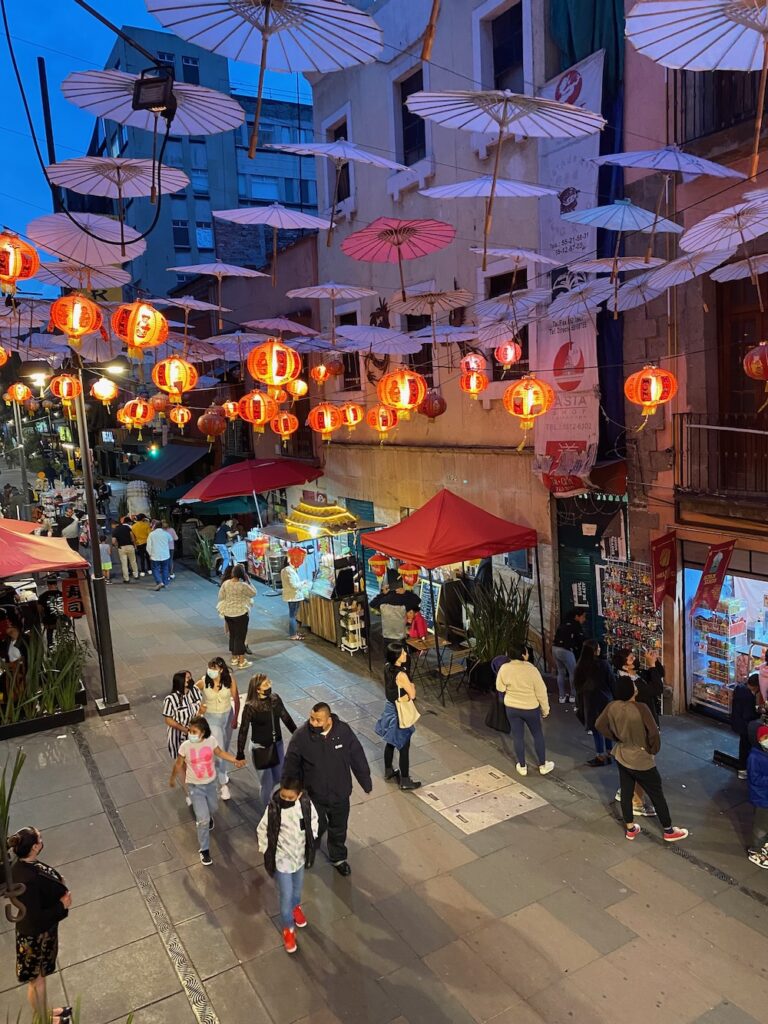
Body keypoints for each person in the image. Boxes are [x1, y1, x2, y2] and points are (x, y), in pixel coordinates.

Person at [283, 701, 372, 876]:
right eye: (311, 718)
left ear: (329, 720)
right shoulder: (301, 737)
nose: (313, 723)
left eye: (318, 720)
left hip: (340, 793)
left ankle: (338, 857)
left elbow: (357, 756)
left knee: (339, 827)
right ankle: (308, 852)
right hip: (314, 795)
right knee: (314, 826)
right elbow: (290, 765)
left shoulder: (343, 732)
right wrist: (287, 790)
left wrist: (365, 781)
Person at [595, 675, 688, 842]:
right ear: (632, 691)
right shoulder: (641, 708)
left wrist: (616, 737)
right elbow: (653, 733)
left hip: (622, 754)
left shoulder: (612, 707)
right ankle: (668, 830)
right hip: (641, 758)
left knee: (626, 790)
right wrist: (652, 749)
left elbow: (599, 725)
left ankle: (630, 828)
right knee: (656, 793)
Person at [8, 826, 72, 1021]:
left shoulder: (21, 866)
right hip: (36, 937)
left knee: (39, 980)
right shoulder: (29, 880)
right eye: (40, 839)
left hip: (38, 934)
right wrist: (62, 905)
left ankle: (44, 1013)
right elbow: (37, 918)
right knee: (37, 981)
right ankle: (43, 1019)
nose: (42, 841)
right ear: (34, 847)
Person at [170, 715, 245, 866]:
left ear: (203, 732)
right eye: (189, 731)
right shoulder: (185, 746)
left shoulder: (211, 742)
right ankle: (204, 849)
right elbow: (179, 764)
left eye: (194, 731)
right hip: (195, 787)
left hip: (211, 784)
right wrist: (172, 778)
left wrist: (235, 760)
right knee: (202, 820)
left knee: (213, 807)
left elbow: (220, 753)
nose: (190, 734)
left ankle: (208, 816)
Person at [256, 777, 318, 955]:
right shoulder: (274, 809)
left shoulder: (305, 805)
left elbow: (314, 820)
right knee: (286, 895)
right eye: (284, 796)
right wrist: (266, 849)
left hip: (299, 857)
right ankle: (288, 929)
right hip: (282, 860)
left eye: (290, 798)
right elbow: (262, 829)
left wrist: (311, 837)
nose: (286, 800)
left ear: (299, 795)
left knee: (297, 891)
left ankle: (296, 907)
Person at [612, 647, 664, 816]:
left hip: (640, 727)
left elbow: (658, 675)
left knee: (633, 765)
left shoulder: (634, 675)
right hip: (641, 729)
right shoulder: (629, 683)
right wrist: (651, 666)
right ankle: (636, 802)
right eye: (631, 658)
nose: (635, 659)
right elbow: (656, 689)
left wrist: (654, 663)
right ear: (624, 666)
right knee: (642, 765)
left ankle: (628, 793)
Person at [236, 673, 297, 807]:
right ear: (257, 689)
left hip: (277, 745)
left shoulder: (275, 699)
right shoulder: (250, 707)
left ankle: (278, 805)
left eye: (269, 682)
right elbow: (243, 731)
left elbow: (285, 717)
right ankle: (267, 813)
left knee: (279, 778)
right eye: (265, 684)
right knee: (267, 783)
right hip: (260, 748)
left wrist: (297, 735)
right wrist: (240, 754)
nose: (269, 685)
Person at [495, 644, 554, 777]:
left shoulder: (504, 668)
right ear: (523, 655)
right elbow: (541, 692)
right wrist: (545, 710)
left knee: (517, 736)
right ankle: (543, 765)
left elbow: (500, 687)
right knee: (537, 734)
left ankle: (522, 766)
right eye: (526, 652)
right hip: (530, 708)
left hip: (512, 708)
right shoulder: (531, 670)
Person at [375, 642, 422, 790]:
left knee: (390, 740)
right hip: (399, 712)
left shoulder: (387, 667)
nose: (405, 655)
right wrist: (411, 689)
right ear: (396, 656)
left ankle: (388, 770)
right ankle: (405, 780)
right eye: (402, 653)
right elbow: (412, 694)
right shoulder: (401, 674)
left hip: (389, 707)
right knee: (403, 745)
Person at [196, 659, 240, 800]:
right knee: (220, 750)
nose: (211, 670)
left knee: (224, 747)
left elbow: (236, 699)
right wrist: (198, 709)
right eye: (209, 667)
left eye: (214, 668)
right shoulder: (203, 681)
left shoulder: (230, 680)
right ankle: (222, 785)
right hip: (212, 720)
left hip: (227, 715)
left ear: (221, 669)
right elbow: (191, 694)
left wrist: (235, 718)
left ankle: (221, 772)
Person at [573, 639, 616, 766]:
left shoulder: (580, 667)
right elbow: (612, 682)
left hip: (590, 702)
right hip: (605, 700)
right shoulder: (603, 664)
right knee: (607, 727)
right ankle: (609, 753)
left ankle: (600, 755)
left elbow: (577, 686)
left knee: (597, 729)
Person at [163, 669, 202, 806]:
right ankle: (189, 792)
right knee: (184, 764)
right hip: (179, 736)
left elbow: (200, 706)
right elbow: (168, 720)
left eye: (190, 677)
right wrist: (184, 728)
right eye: (186, 678)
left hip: (195, 734)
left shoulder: (194, 692)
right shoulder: (171, 699)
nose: (189, 680)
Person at [216, 564, 255, 668]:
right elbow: (254, 593)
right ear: (242, 574)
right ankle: (242, 661)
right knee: (240, 637)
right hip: (240, 614)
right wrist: (249, 581)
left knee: (232, 636)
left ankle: (234, 658)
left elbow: (220, 596)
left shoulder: (226, 583)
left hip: (228, 614)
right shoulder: (243, 585)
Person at [551, 607, 587, 704]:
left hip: (555, 648)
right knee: (573, 673)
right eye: (583, 617)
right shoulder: (575, 625)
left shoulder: (564, 622)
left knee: (561, 672)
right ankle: (573, 696)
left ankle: (561, 696)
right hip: (565, 651)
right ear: (577, 616)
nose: (584, 619)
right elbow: (581, 640)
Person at [370, 580, 421, 647]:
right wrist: (406, 592)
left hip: (386, 635)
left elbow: (372, 604)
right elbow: (418, 600)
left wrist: (383, 594)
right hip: (400, 636)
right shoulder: (405, 601)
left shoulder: (384, 600)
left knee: (388, 653)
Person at [732, 673, 761, 779]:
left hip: (737, 721)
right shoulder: (749, 696)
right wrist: (758, 712)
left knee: (743, 745)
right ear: (756, 686)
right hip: (745, 725)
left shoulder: (739, 688)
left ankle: (742, 768)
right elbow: (748, 714)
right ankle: (743, 769)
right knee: (746, 747)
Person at [747, 724, 768, 867]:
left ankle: (762, 845)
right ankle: (755, 851)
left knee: (764, 824)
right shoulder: (754, 757)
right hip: (761, 797)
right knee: (760, 825)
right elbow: (755, 778)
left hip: (765, 795)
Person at [280, 547, 310, 640]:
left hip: (292, 596)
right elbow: (294, 585)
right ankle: (293, 635)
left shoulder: (286, 570)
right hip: (293, 596)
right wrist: (303, 583)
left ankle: (294, 633)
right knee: (293, 616)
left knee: (293, 615)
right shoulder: (288, 570)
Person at [38, 575, 64, 646]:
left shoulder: (42, 596)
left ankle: (50, 649)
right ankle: (64, 649)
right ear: (56, 584)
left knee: (49, 635)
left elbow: (40, 609)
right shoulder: (62, 594)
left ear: (47, 584)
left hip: (48, 620)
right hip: (61, 619)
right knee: (63, 634)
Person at [112, 515, 139, 583]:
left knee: (124, 564)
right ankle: (136, 575)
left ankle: (126, 579)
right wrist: (134, 544)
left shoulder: (115, 530)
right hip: (130, 546)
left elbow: (113, 541)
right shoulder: (126, 527)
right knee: (133, 561)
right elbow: (132, 536)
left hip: (122, 548)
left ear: (114, 524)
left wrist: (116, 546)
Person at [147, 520, 172, 591]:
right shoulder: (166, 533)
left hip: (155, 555)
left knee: (155, 569)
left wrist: (150, 554)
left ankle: (159, 582)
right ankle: (165, 583)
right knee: (165, 568)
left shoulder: (151, 534)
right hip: (165, 555)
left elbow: (148, 546)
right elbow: (171, 539)